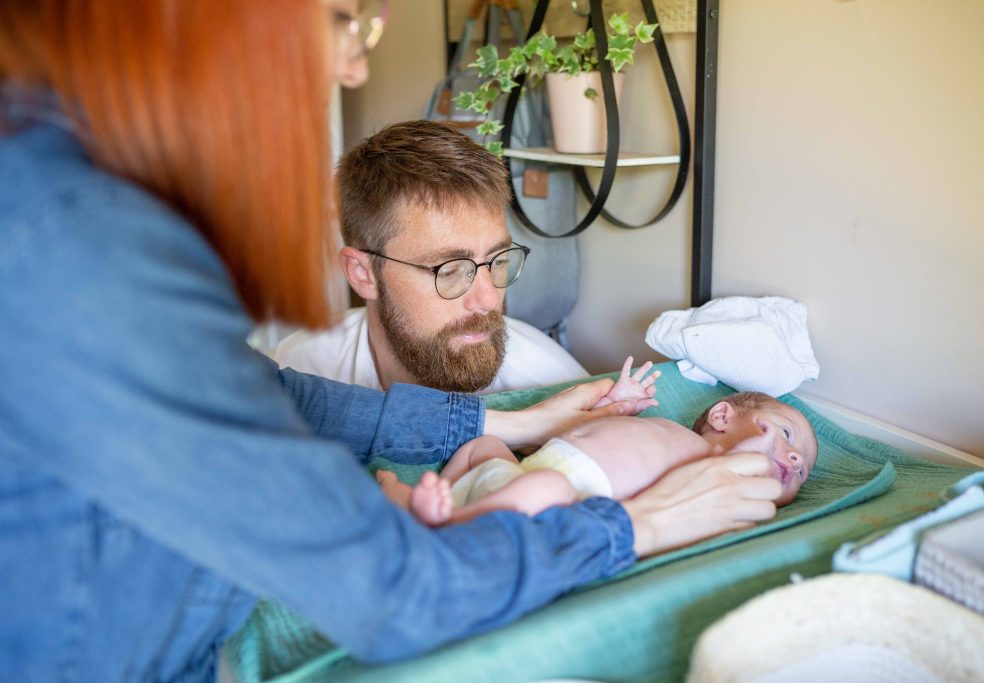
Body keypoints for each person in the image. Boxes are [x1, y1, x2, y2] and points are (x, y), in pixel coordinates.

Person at [0, 2, 784, 681]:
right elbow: (391, 588)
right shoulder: (78, 254)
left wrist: (504, 425)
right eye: (343, 21)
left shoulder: (68, 209)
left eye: (496, 262)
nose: (350, 68)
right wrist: (641, 523)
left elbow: (267, 395)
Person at [271, 119, 588, 393]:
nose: (489, 300)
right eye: (450, 270)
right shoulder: (294, 375)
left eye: (498, 261)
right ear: (362, 273)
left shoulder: (549, 384)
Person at [379, 359, 818, 526]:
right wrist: (614, 406)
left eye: (800, 470)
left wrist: (761, 452)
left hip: (553, 507)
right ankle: (445, 497)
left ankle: (446, 523)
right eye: (783, 434)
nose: (794, 460)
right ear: (722, 416)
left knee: (547, 485)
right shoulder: (673, 433)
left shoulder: (714, 480)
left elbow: (735, 474)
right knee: (485, 443)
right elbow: (569, 433)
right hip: (517, 475)